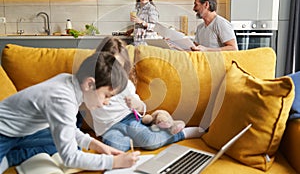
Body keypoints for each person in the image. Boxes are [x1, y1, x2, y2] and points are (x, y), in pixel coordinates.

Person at [0, 51, 140, 173]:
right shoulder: (62, 99)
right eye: (107, 96)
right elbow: (70, 158)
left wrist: (96, 145)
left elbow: (69, 128)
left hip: (27, 131)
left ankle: (12, 156)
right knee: (67, 147)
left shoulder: (70, 84)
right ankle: (7, 158)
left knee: (64, 141)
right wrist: (114, 163)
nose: (107, 102)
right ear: (89, 84)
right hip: (3, 133)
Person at [90, 36, 204, 152]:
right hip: (108, 129)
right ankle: (141, 135)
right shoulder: (90, 83)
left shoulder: (125, 85)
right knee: (117, 147)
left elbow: (142, 108)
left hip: (128, 120)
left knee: (150, 142)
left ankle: (180, 133)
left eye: (118, 66)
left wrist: (137, 104)